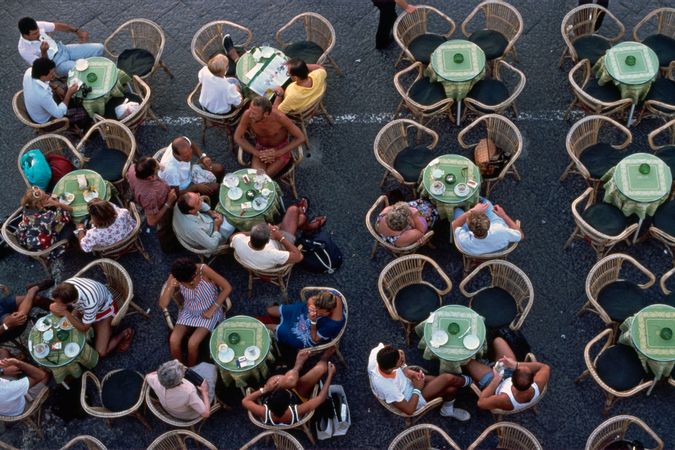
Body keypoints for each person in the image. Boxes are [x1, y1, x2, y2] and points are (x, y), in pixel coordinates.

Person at [367, 343, 471, 421]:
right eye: (401, 361)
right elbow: (409, 410)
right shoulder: (387, 387)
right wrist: (417, 388)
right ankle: (472, 382)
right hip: (410, 399)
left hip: (408, 382)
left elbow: (399, 352)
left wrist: (406, 370)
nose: (403, 358)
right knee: (448, 379)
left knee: (451, 388)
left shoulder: (378, 354)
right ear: (392, 368)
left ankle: (446, 410)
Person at [159, 258, 233, 367]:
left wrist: (212, 309)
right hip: (189, 310)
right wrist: (169, 287)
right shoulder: (175, 277)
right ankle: (179, 368)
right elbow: (163, 304)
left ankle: (191, 368)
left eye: (194, 275)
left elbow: (227, 287)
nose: (194, 279)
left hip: (211, 309)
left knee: (192, 343)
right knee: (173, 340)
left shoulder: (203, 269)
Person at [242, 349, 336, 425]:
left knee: (290, 381)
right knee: (321, 369)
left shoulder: (264, 412)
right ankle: (321, 359)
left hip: (273, 393)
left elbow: (245, 401)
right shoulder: (297, 410)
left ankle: (297, 367)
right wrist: (330, 375)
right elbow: (321, 398)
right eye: (287, 392)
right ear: (288, 404)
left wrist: (265, 390)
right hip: (298, 394)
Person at [49, 277, 134, 357]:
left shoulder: (90, 303)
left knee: (101, 352)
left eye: (59, 303)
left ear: (71, 302)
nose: (57, 304)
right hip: (88, 305)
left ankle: (125, 333)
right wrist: (53, 306)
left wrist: (66, 313)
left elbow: (84, 328)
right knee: (68, 328)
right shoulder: (66, 285)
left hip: (104, 311)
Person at [230, 198, 318, 271]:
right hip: (280, 246)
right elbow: (299, 257)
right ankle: (308, 224)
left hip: (257, 260)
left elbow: (232, 237)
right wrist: (280, 237)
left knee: (296, 219)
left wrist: (256, 232)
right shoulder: (273, 254)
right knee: (293, 210)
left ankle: (304, 221)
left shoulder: (239, 241)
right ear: (268, 240)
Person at [466, 337, 550, 412]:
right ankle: (490, 364)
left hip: (496, 384)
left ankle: (486, 365)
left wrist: (496, 379)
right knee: (498, 341)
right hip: (507, 376)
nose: (522, 365)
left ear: (512, 381)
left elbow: (481, 403)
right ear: (532, 380)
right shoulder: (538, 384)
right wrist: (515, 364)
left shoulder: (504, 399)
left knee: (468, 361)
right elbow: (545, 367)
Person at [234, 96, 306, 177]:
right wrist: (256, 152)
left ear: (266, 114)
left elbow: (301, 137)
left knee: (264, 179)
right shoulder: (247, 115)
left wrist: (278, 153)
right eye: (250, 110)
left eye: (254, 113)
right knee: (258, 178)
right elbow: (237, 137)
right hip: (260, 149)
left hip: (280, 149)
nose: (250, 115)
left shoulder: (280, 118)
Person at [17, 17, 104, 77]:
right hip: (56, 63)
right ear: (26, 35)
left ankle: (88, 69)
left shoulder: (37, 25)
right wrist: (43, 52)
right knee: (83, 70)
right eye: (35, 34)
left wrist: (77, 32)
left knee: (99, 48)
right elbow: (43, 68)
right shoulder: (24, 49)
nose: (38, 34)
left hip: (63, 49)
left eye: (38, 31)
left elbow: (57, 26)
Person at [22, 57, 87, 128]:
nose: (54, 75)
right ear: (43, 76)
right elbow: (59, 114)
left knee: (67, 87)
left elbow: (45, 82)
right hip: (48, 120)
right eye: (51, 73)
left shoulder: (29, 72)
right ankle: (81, 128)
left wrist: (55, 87)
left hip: (39, 108)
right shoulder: (42, 95)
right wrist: (68, 94)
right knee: (84, 113)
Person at [267, 290, 345, 349]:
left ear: (329, 311)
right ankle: (281, 322)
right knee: (270, 310)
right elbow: (311, 300)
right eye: (316, 310)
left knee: (270, 328)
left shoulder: (331, 325)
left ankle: (277, 329)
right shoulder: (330, 297)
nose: (317, 313)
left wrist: (313, 322)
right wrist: (310, 306)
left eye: (320, 314)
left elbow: (314, 339)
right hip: (302, 312)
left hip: (307, 334)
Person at [145, 359, 217, 421]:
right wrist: (204, 392)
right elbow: (206, 413)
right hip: (188, 414)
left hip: (172, 409)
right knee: (210, 369)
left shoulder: (155, 379)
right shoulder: (188, 391)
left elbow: (147, 376)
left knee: (201, 368)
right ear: (179, 380)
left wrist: (164, 373)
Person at [16, 186, 72, 261]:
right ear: (38, 204)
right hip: (43, 246)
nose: (48, 196)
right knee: (70, 228)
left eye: (45, 193)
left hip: (28, 236)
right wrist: (57, 203)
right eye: (45, 198)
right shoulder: (48, 218)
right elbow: (68, 215)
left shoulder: (27, 208)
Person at [452, 198, 523, 255]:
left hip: (474, 250)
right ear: (488, 223)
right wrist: (504, 215)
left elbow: (454, 225)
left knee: (457, 210)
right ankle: (479, 199)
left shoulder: (465, 240)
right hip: (496, 242)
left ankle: (470, 199)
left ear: (469, 228)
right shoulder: (502, 231)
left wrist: (471, 211)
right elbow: (521, 236)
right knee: (486, 203)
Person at [158, 136, 224, 197]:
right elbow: (175, 194)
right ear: (177, 155)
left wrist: (202, 157)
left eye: (190, 151)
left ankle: (215, 192)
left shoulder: (182, 142)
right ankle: (211, 204)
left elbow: (191, 143)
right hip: (185, 188)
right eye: (186, 156)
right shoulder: (170, 170)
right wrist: (195, 187)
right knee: (215, 188)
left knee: (220, 169)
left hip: (190, 173)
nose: (190, 157)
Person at [126, 156, 177, 227]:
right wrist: (168, 202)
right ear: (150, 177)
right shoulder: (149, 196)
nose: (158, 167)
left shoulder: (132, 168)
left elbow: (127, 176)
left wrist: (158, 166)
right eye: (157, 169)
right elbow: (151, 221)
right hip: (161, 207)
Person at [0, 349, 50, 417]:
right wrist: (18, 363)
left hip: (7, 393)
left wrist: (3, 371)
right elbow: (41, 375)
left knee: (3, 352)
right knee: (46, 375)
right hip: (23, 402)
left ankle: (18, 365)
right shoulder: (6, 389)